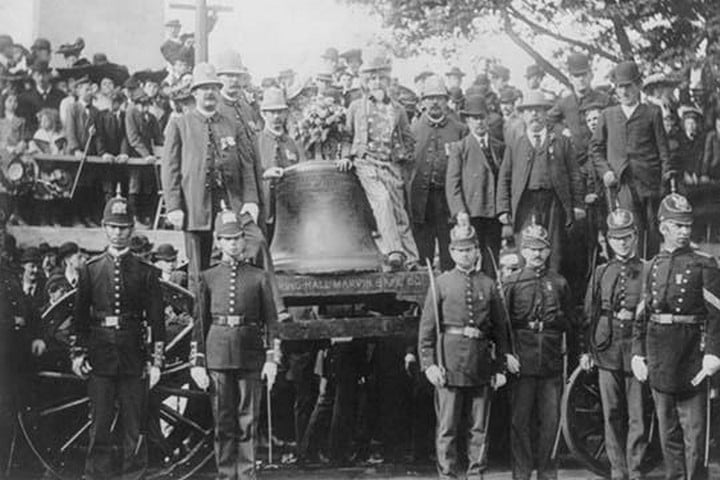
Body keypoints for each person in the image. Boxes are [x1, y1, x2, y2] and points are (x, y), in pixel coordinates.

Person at [71, 193, 164, 480]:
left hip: (134, 357)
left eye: (123, 227)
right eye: (112, 226)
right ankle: (95, 475)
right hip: (100, 357)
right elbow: (79, 318)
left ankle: (133, 475)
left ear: (132, 229)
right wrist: (77, 353)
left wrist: (156, 361)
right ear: (104, 227)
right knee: (99, 425)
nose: (118, 233)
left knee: (134, 426)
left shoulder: (146, 273)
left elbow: (157, 322)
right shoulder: (90, 270)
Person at [631, 193, 720, 480]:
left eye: (687, 225)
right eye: (677, 225)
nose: (684, 231)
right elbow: (642, 315)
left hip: (692, 358)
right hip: (659, 358)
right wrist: (637, 353)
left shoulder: (704, 264)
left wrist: (713, 353)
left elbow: (717, 313)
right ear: (662, 227)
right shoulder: (652, 265)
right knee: (667, 431)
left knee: (694, 435)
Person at [189, 207, 278, 480]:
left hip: (250, 354)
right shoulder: (207, 277)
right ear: (217, 241)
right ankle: (227, 474)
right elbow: (200, 323)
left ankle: (247, 474)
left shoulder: (259, 277)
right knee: (223, 422)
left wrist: (272, 359)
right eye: (227, 239)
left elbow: (271, 322)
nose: (233, 244)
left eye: (238, 238)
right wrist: (198, 363)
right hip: (217, 354)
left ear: (244, 240)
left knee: (247, 420)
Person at [418, 220, 509, 479]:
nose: (465, 254)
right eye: (459, 250)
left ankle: (476, 474)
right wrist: (429, 364)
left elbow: (500, 331)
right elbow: (426, 330)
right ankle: (447, 475)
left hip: (480, 365)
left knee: (479, 428)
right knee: (447, 428)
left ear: (477, 251)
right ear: (452, 251)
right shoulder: (441, 284)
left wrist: (500, 366)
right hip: (449, 364)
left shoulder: (489, 284)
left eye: (469, 249)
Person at [161, 62, 259, 296]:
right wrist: (174, 205)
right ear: (194, 93)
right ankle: (200, 325)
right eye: (204, 88)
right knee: (198, 269)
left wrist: (250, 199)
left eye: (214, 88)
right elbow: (170, 168)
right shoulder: (180, 124)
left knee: (247, 251)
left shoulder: (232, 124)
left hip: (229, 202)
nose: (210, 93)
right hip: (196, 205)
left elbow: (246, 165)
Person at [580, 208, 650, 480]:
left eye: (627, 236)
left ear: (635, 236)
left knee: (637, 415)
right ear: (608, 240)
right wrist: (586, 350)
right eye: (616, 237)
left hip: (635, 349)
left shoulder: (646, 268)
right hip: (606, 348)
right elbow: (589, 314)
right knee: (611, 413)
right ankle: (617, 471)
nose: (622, 242)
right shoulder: (600, 272)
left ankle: (636, 471)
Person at [504, 221, 574, 480]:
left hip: (551, 363)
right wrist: (507, 355)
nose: (536, 254)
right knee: (520, 423)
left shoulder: (559, 283)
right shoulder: (512, 283)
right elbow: (504, 325)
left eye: (541, 249)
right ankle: (521, 475)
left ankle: (547, 475)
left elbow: (569, 323)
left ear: (548, 251)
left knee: (550, 425)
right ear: (523, 251)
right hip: (522, 362)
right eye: (531, 248)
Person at [339, 52, 419, 271]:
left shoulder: (398, 109)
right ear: (365, 82)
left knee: (398, 211)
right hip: (366, 163)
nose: (376, 82)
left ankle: (412, 259)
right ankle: (395, 252)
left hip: (390, 165)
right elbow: (347, 135)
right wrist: (347, 156)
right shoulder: (357, 106)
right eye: (372, 78)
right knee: (382, 201)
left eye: (381, 78)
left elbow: (408, 137)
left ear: (387, 80)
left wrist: (403, 154)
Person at [591, 60, 672, 259]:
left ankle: (651, 270)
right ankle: (631, 275)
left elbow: (664, 150)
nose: (625, 91)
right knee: (628, 228)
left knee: (652, 231)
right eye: (620, 87)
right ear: (615, 89)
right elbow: (596, 149)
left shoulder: (651, 113)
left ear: (638, 86)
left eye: (629, 86)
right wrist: (606, 171)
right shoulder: (608, 115)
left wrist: (665, 177)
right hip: (622, 183)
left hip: (649, 182)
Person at [497, 90, 584, 273]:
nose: (534, 115)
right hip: (526, 203)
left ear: (546, 113)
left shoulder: (562, 142)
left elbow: (574, 174)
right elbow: (505, 177)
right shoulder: (516, 144)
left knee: (555, 249)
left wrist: (577, 204)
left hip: (554, 202)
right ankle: (527, 293)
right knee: (528, 247)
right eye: (529, 111)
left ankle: (553, 293)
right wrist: (504, 207)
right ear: (522, 115)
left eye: (538, 110)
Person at [410, 75, 468, 271]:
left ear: (447, 101)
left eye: (440, 98)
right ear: (423, 102)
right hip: (421, 201)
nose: (434, 102)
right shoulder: (413, 129)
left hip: (447, 202)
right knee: (423, 255)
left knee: (449, 252)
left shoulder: (459, 130)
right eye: (430, 98)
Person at [446, 95, 505, 276]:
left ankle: (491, 292)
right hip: (472, 212)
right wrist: (459, 211)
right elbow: (452, 183)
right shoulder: (460, 148)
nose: (479, 122)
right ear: (468, 121)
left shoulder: (499, 147)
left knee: (492, 257)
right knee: (469, 257)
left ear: (488, 118)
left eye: (482, 117)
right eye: (474, 118)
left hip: (494, 212)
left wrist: (504, 209)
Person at [548, 52, 611, 168]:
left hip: (603, 160)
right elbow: (548, 120)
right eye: (576, 76)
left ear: (591, 75)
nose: (581, 79)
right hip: (578, 163)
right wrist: (562, 131)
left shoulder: (604, 100)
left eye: (584, 74)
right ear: (571, 79)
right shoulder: (565, 103)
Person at [256, 87, 304, 236]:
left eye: (280, 111)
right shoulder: (255, 141)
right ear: (263, 114)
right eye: (271, 112)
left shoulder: (292, 144)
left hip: (288, 211)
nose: (276, 116)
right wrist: (264, 174)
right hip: (263, 209)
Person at [16, 61, 65, 138]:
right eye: (37, 75)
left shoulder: (61, 96)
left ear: (49, 75)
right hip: (33, 140)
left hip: (57, 137)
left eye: (44, 74)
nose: (41, 78)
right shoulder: (24, 98)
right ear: (33, 76)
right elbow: (24, 124)